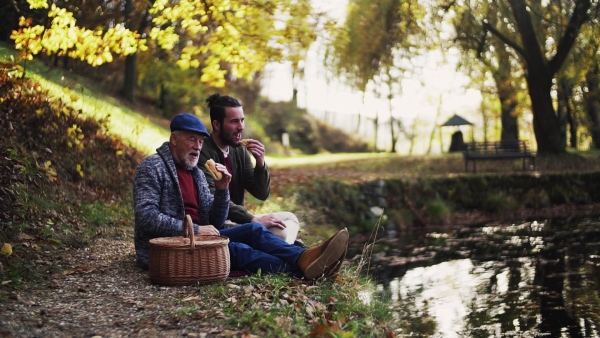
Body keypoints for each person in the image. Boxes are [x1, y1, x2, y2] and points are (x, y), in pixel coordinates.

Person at [133, 113, 348, 279]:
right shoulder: (152, 166)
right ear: (174, 139)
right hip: (171, 247)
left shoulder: (196, 172)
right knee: (238, 250)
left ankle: (304, 257)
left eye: (200, 142)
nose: (197, 147)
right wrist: (196, 230)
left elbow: (215, 220)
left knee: (254, 230)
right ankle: (303, 270)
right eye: (192, 140)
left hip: (202, 239)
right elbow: (147, 217)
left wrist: (222, 189)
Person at [199, 93, 300, 245]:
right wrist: (254, 220)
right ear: (217, 125)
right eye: (234, 121)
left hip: (240, 221)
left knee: (291, 218)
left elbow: (261, 193)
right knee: (281, 232)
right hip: (218, 226)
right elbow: (214, 199)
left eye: (242, 120)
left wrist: (260, 164)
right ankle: (286, 247)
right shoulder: (202, 153)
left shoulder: (239, 149)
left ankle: (280, 245)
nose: (241, 127)